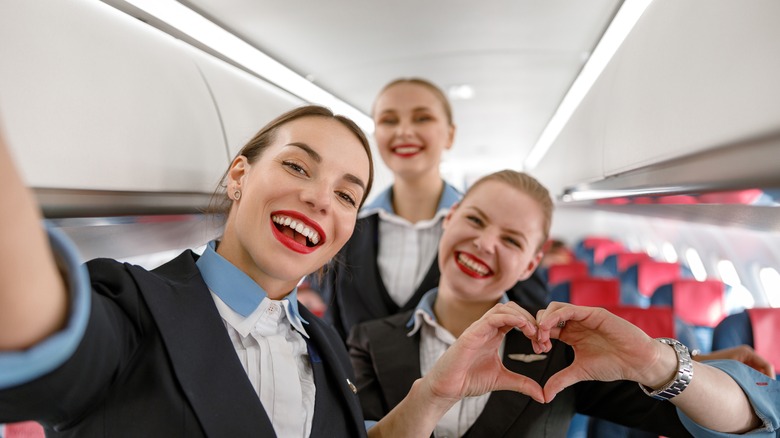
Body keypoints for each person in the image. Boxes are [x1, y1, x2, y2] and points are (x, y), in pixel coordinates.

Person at [0, 106, 547, 438]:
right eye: (295, 166)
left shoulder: (326, 346)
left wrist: (433, 395)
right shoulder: (134, 304)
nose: (318, 198)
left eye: (345, 195)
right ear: (239, 174)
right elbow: (32, 320)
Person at [349, 170, 779, 437]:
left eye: (511, 240)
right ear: (450, 218)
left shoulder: (558, 349)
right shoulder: (368, 340)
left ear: (531, 263)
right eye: (475, 220)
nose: (484, 243)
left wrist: (655, 359)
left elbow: (725, 425)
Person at [301, 78, 547, 341]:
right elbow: (334, 330)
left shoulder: (493, 237)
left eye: (422, 118)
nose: (404, 131)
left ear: (450, 134)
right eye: (389, 120)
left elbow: (530, 327)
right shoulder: (346, 228)